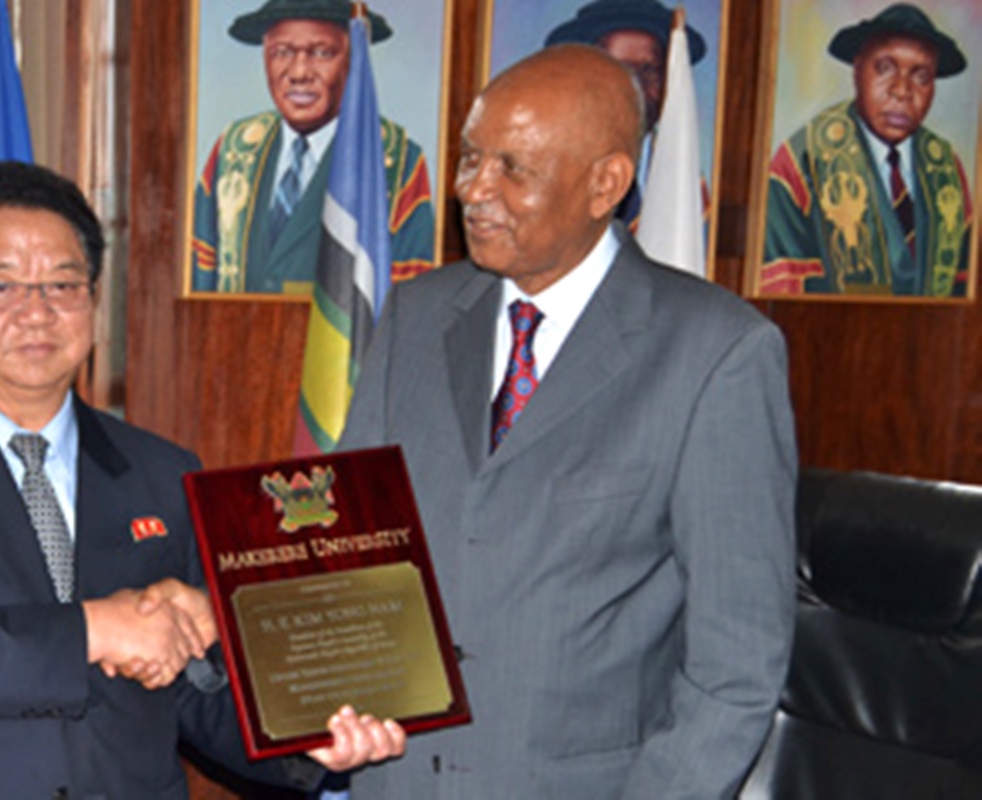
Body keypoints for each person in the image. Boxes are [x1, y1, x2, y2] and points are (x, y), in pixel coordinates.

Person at [0, 160, 404, 798]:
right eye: (3, 287)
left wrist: (302, 739)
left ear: (93, 301)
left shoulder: (162, 472)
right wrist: (96, 626)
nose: (38, 312)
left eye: (64, 286)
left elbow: (192, 687)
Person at [339, 45, 796, 798]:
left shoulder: (716, 353)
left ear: (604, 184)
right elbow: (347, 547)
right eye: (468, 158)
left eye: (512, 167)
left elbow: (737, 666)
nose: (473, 190)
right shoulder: (418, 318)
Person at [190, 0, 434, 294]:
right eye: (282, 53)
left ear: (355, 60)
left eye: (321, 53)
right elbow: (197, 283)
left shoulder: (395, 162)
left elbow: (410, 303)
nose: (299, 72)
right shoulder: (233, 152)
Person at [761, 3, 971, 297]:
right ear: (857, 70)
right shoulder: (801, 161)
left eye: (921, 76)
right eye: (885, 68)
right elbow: (781, 293)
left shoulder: (947, 169)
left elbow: (964, 290)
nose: (901, 90)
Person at [544, 0, 709, 226]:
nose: (636, 87)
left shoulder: (684, 180)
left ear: (668, 81)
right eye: (619, 69)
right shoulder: (548, 168)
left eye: (649, 70)